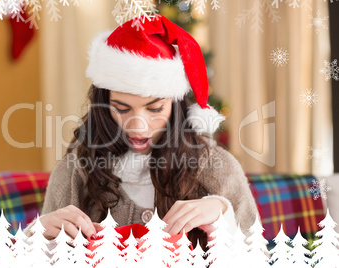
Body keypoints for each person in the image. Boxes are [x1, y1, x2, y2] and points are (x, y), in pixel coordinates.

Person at [25, 14, 259, 251]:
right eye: (121, 108)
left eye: (155, 108)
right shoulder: (74, 172)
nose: (138, 127)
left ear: (176, 106)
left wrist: (223, 218)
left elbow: (257, 258)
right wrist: (33, 238)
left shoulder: (218, 168)